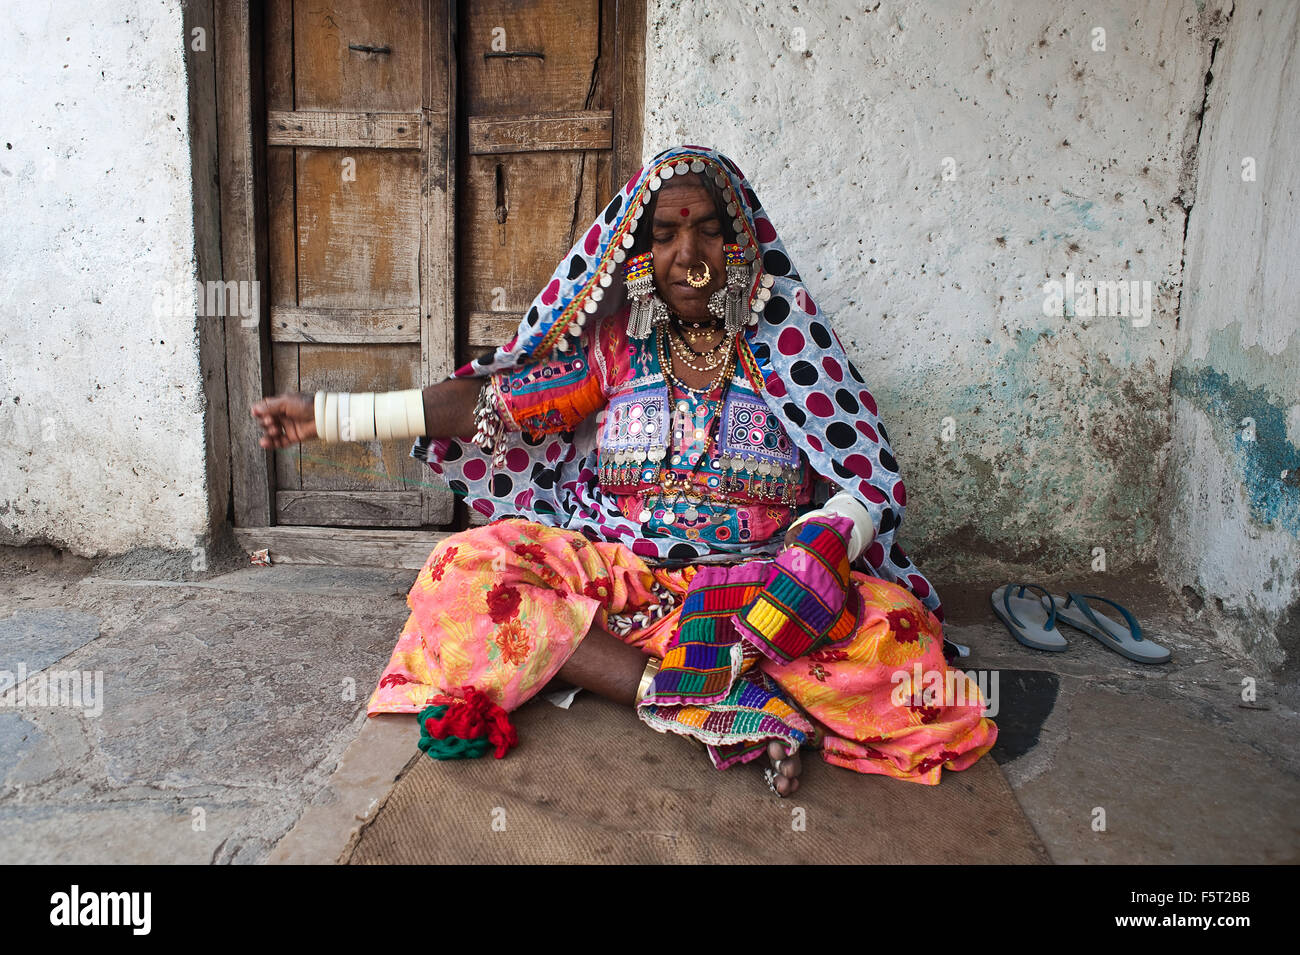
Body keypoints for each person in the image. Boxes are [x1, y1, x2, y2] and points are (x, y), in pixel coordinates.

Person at [251, 144, 996, 797]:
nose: (688, 251)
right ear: (637, 255)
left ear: (739, 245)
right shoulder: (613, 350)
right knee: (460, 570)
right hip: (623, 581)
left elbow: (867, 480)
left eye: (707, 227)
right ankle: (679, 694)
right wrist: (335, 416)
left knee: (901, 639)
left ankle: (719, 671)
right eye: (666, 232)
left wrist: (822, 545)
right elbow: (494, 408)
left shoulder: (789, 347)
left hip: (761, 597)